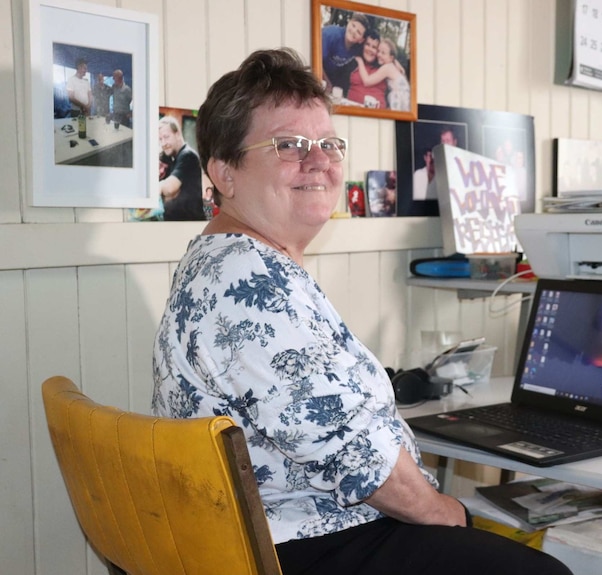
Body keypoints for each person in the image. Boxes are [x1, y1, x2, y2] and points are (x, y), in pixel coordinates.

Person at [151, 48, 572, 575]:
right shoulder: (245, 276)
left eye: (329, 143)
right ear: (225, 173)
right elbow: (358, 462)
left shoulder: (226, 258)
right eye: (289, 145)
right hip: (302, 543)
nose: (320, 161)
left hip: (290, 528)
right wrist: (448, 513)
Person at [157, 116, 206, 221]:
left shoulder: (187, 155)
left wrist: (160, 188)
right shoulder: (173, 158)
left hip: (189, 223)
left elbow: (169, 188)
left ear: (178, 134)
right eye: (160, 139)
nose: (163, 143)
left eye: (166, 137)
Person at [354, 38, 410, 111]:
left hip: (399, 100)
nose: (379, 55)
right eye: (379, 51)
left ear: (391, 58)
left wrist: (360, 61)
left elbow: (367, 81)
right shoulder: (392, 65)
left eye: (383, 53)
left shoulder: (387, 68)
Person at [321, 12, 369, 96]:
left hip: (330, 77)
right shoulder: (331, 34)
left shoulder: (357, 48)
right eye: (353, 25)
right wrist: (328, 83)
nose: (354, 31)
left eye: (358, 32)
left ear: (361, 40)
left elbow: (375, 51)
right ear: (348, 22)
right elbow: (315, 60)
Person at [413, 126, 459, 201]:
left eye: (447, 141)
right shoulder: (421, 174)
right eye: (443, 141)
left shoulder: (460, 167)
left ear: (454, 142)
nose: (445, 144)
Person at [346, 30, 387, 108]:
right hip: (352, 110)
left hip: (376, 114)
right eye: (367, 44)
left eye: (374, 47)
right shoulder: (354, 61)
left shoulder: (384, 66)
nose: (370, 49)